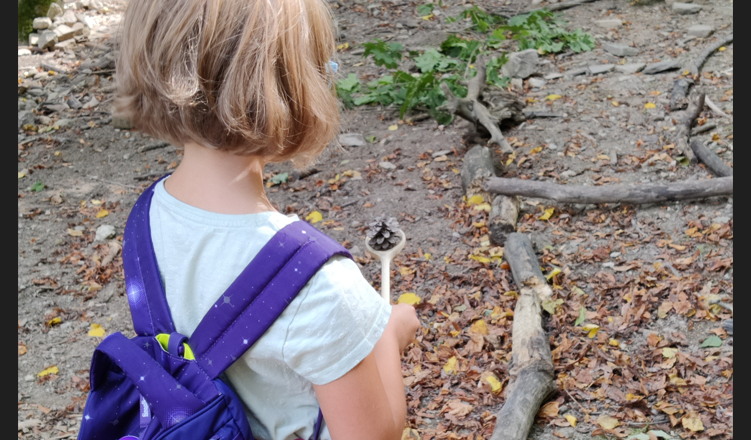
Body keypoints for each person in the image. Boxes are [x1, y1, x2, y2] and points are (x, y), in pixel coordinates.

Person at [114, 1, 421, 439]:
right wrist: (388, 336)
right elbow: (377, 433)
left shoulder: (147, 215)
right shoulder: (320, 285)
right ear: (294, 86)